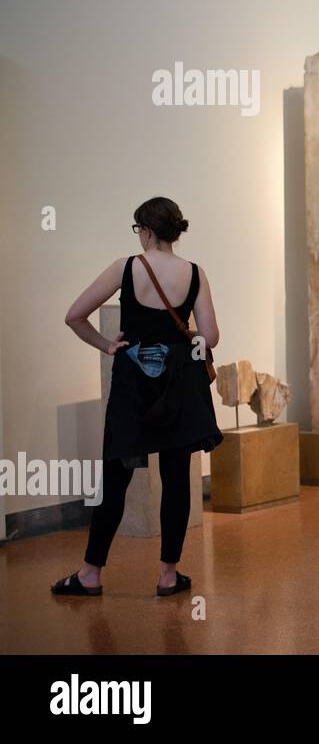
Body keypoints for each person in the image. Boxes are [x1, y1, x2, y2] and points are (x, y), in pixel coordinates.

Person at [53, 197, 222, 598]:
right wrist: (179, 345)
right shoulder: (195, 273)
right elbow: (210, 335)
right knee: (177, 478)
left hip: (134, 386)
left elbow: (74, 315)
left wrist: (106, 345)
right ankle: (168, 576)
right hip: (177, 385)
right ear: (174, 231)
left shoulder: (126, 267)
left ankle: (91, 573)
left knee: (115, 477)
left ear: (144, 230)